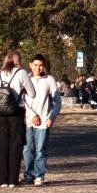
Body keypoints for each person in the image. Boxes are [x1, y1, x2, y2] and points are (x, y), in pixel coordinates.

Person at [22, 55, 61, 186]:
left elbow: (57, 102)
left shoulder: (49, 80)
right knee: (27, 149)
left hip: (44, 121)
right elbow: (22, 100)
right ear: (30, 65)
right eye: (35, 65)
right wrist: (32, 115)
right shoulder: (25, 79)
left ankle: (39, 175)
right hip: (28, 120)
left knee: (40, 150)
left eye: (40, 65)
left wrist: (51, 117)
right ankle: (28, 174)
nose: (38, 68)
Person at [0, 54, 27, 187]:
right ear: (18, 61)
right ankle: (13, 179)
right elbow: (32, 92)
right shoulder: (21, 72)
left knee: (2, 145)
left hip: (1, 113)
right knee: (15, 145)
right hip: (16, 112)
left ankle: (3, 179)